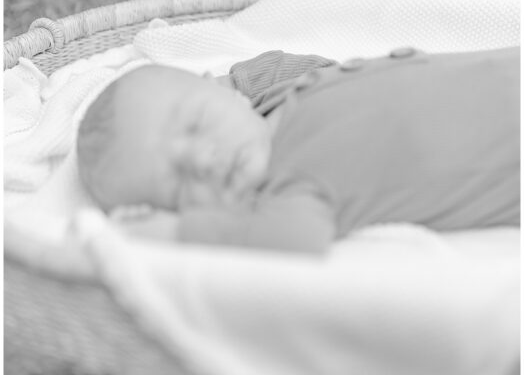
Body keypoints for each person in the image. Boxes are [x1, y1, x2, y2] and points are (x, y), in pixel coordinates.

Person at [77, 46, 519, 254]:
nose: (203, 160)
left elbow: (309, 67)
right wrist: (175, 234)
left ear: (224, 94)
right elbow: (295, 240)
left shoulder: (281, 97)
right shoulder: (287, 193)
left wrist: (240, 81)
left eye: (196, 124)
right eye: (178, 184)